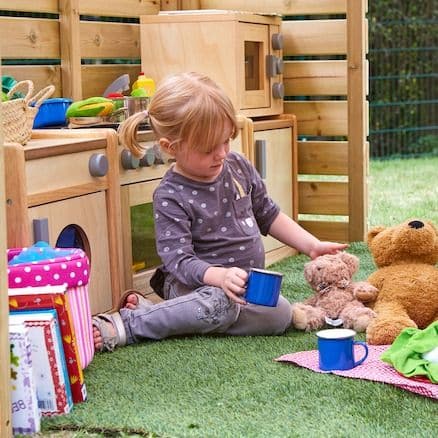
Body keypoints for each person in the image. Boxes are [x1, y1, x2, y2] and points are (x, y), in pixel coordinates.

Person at [93, 72, 348, 352]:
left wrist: (311, 245)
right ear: (171, 147)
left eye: (226, 141)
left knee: (280, 314)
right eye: (208, 149)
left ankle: (174, 316)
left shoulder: (238, 166)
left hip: (242, 290)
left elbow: (269, 214)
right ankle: (128, 324)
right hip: (194, 286)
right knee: (218, 303)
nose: (222, 153)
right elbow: (179, 261)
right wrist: (219, 277)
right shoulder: (170, 194)